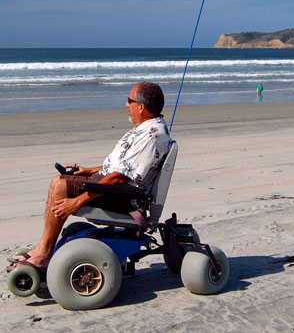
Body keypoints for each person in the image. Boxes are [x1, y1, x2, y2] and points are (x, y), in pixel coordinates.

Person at [9, 82, 173, 270]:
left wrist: (78, 201)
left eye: (129, 101)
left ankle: (44, 253)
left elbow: (119, 177)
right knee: (59, 181)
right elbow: (122, 167)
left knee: (60, 185)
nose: (126, 105)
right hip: (114, 188)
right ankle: (42, 248)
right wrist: (89, 171)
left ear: (141, 107)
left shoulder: (152, 135)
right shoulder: (147, 128)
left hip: (125, 198)